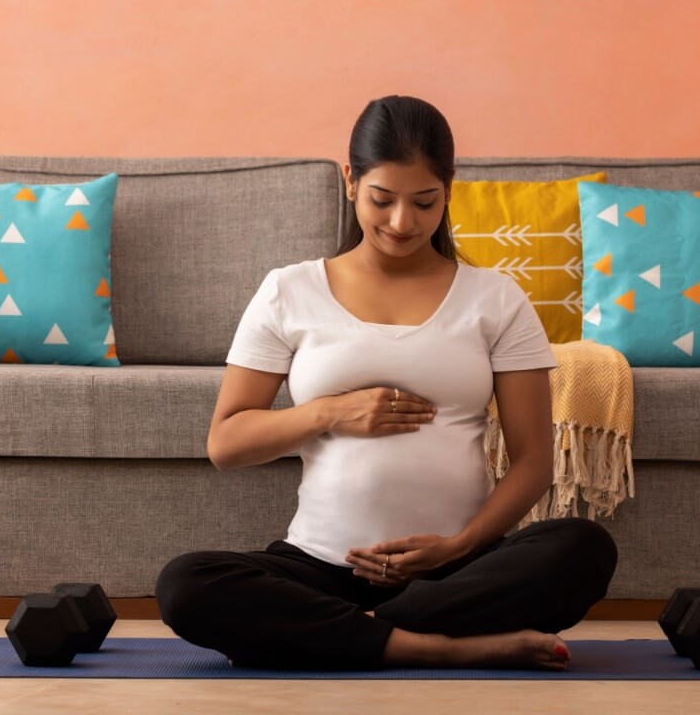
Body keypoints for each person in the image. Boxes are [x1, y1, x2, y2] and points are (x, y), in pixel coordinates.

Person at [156, 95, 617, 671]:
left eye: (424, 202)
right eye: (382, 199)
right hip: (322, 568)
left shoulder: (495, 299)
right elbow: (226, 443)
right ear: (350, 181)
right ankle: (441, 646)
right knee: (186, 584)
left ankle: (351, 638)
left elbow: (532, 462)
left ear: (449, 191)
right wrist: (329, 413)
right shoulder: (288, 291)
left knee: (583, 548)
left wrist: (459, 546)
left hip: (455, 571)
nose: (402, 222)